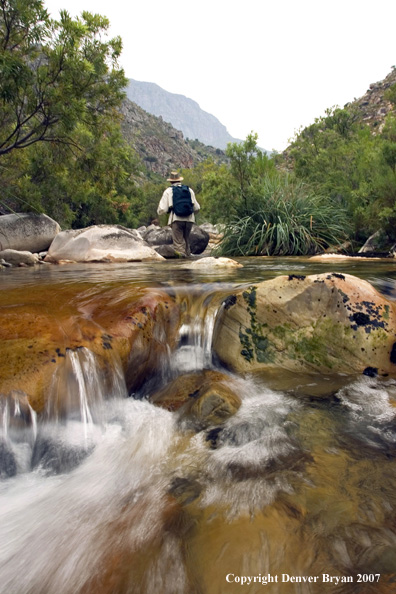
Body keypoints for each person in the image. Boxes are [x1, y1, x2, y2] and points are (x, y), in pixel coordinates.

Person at [157, 171, 200, 258]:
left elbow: (162, 209)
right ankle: (188, 263)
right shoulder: (189, 190)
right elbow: (197, 207)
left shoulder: (168, 191)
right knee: (187, 241)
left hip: (176, 219)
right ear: (180, 180)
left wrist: (161, 213)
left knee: (179, 243)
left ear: (170, 181)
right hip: (189, 219)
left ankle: (181, 265)